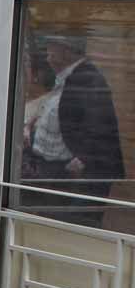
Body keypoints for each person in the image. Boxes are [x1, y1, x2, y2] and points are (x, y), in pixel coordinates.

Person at [26, 34, 125, 227]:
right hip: (66, 172)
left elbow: (99, 123)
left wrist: (82, 160)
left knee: (75, 227)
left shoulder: (87, 77)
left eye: (51, 49)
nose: (47, 56)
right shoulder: (69, 77)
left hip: (85, 174)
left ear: (66, 51)